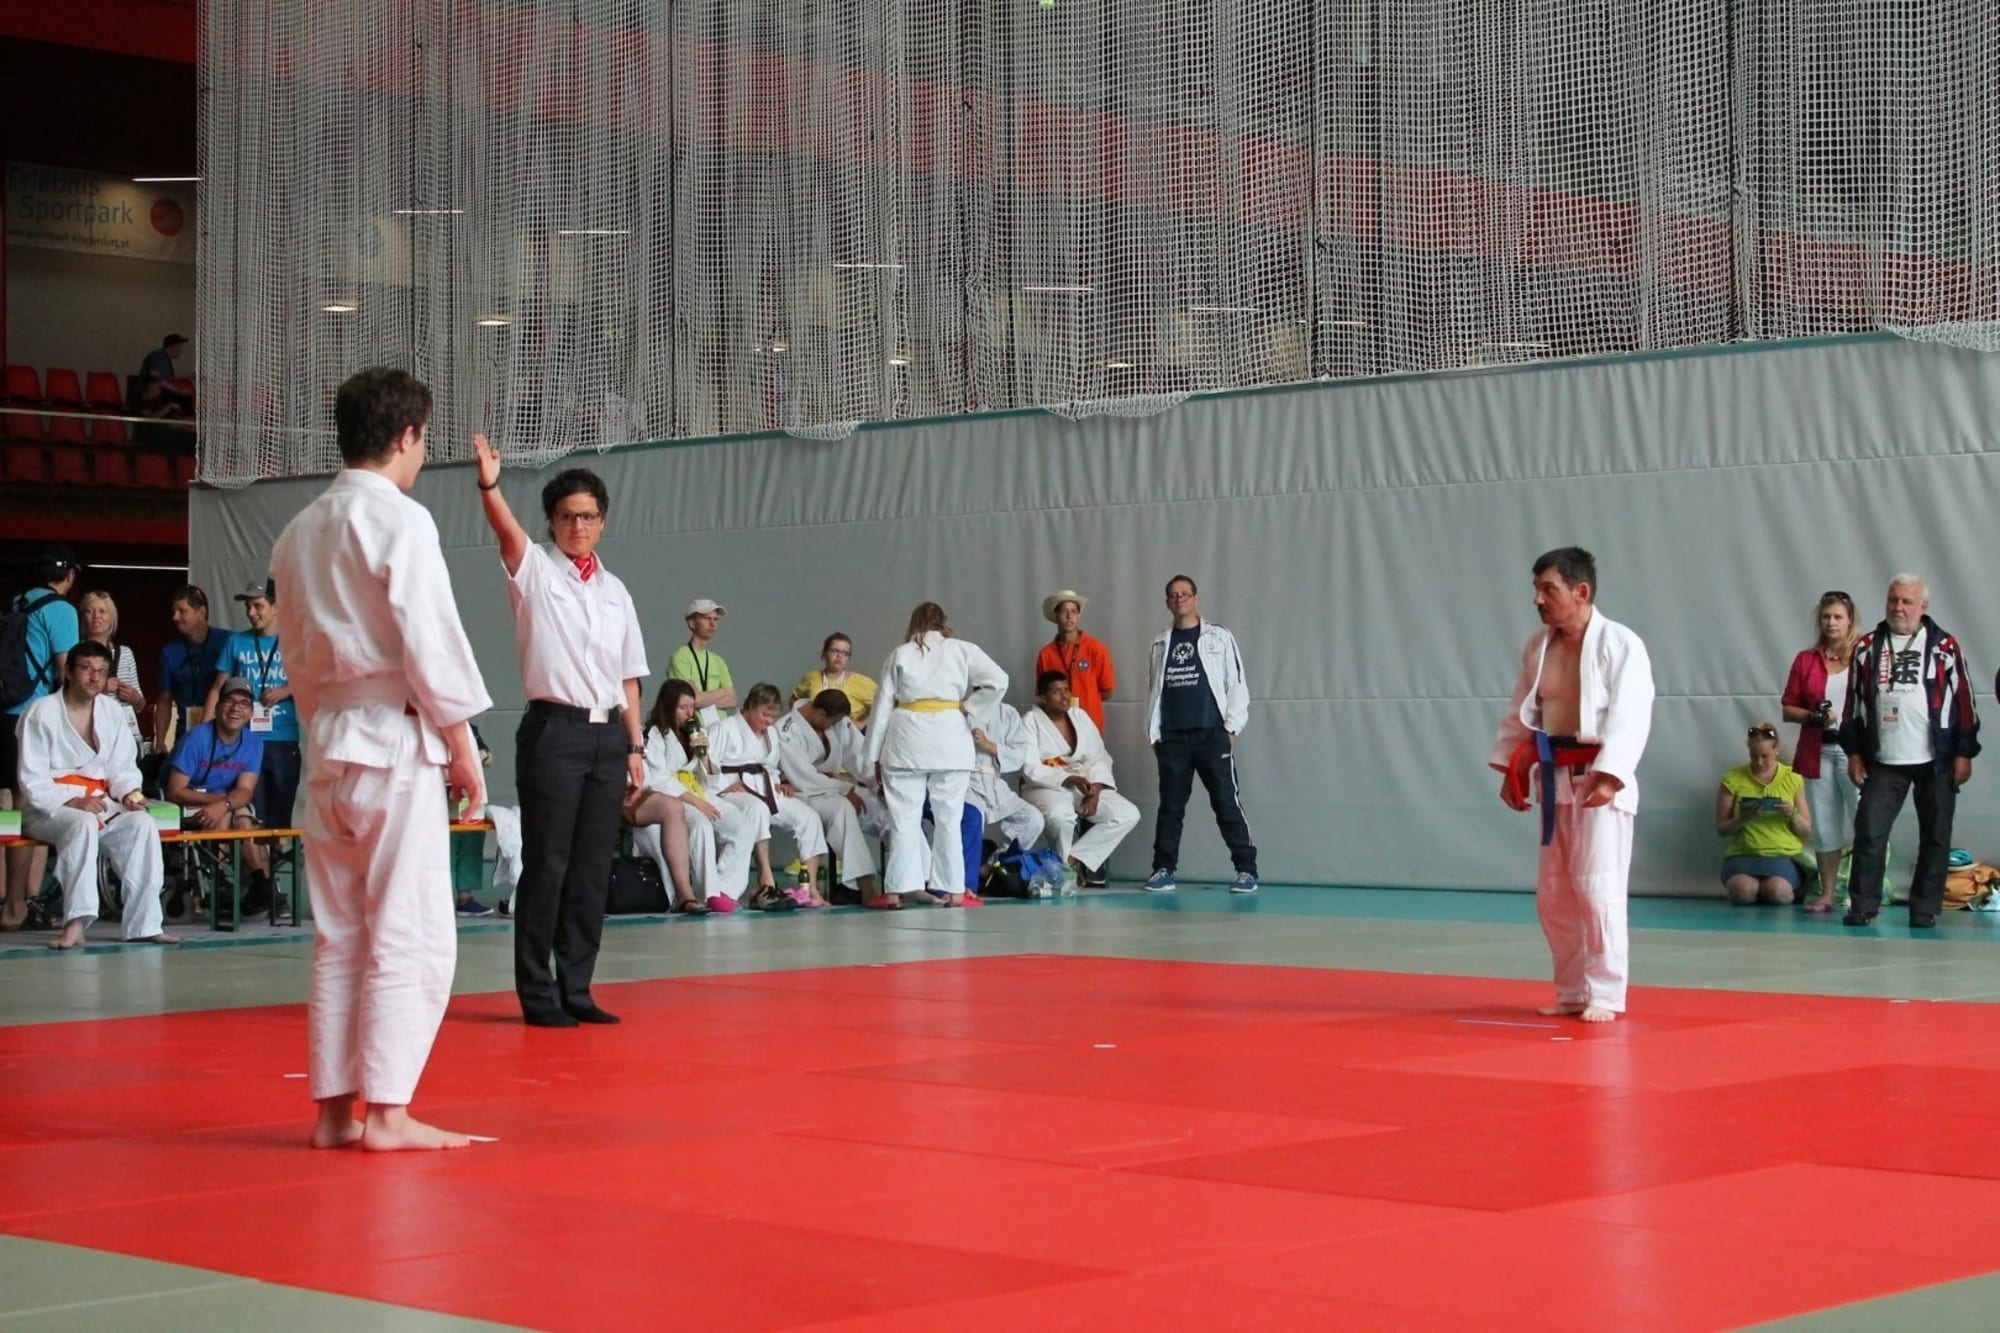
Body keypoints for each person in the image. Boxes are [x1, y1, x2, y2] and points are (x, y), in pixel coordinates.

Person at [271, 365, 492, 1151]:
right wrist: (462, 746)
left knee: (340, 933)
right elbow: (432, 641)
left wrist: (321, 728)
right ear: (406, 435)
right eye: (423, 440)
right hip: (393, 739)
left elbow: (296, 655)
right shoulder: (400, 520)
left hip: (328, 739)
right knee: (410, 926)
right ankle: (389, 1112)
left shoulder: (298, 531)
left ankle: (335, 1111)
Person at [475, 437, 648, 1027]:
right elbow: (506, 533)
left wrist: (635, 745)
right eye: (569, 516)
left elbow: (628, 677)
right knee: (547, 863)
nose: (580, 526)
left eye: (590, 516)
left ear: (603, 522)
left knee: (592, 866)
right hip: (554, 731)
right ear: (552, 521)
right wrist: (490, 486)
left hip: (607, 738)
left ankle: (577, 986)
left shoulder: (615, 590)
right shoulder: (535, 571)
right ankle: (538, 992)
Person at [1491, 547, 1655, 1024]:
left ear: (1580, 591)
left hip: (1598, 780)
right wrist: (1512, 769)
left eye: (1549, 589)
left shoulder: (1620, 644)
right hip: (1553, 778)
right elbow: (1522, 711)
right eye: (1536, 590)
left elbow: (1631, 714)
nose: (1538, 600)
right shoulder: (1538, 647)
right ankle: (1572, 990)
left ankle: (1605, 992)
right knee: (1555, 894)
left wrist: (1610, 774)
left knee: (1598, 889)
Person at [1838, 574, 1980, 929]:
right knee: (1869, 830)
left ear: (1923, 606)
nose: (1898, 607)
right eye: (1893, 600)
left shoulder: (1945, 646)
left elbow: (1964, 701)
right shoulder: (1866, 647)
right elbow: (1852, 704)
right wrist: (1854, 753)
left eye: (1907, 601)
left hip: (1937, 757)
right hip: (1884, 758)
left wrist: (1964, 753)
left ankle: (1924, 909)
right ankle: (1863, 905)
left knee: (1936, 835)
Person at [18, 642, 173, 949]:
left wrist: (128, 793)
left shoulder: (111, 711)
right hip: (47, 808)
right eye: (86, 669)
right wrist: (73, 801)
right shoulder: (41, 712)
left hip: (99, 802)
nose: (94, 677)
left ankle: (144, 924)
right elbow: (32, 779)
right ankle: (76, 923)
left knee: (141, 824)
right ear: (68, 672)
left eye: (101, 671)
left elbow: (122, 766)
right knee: (83, 823)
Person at [864, 602, 1006, 908]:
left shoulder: (900, 654)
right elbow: (999, 681)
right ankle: (955, 892)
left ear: (914, 622)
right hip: (949, 740)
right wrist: (969, 706)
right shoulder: (963, 650)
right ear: (943, 622)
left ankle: (895, 892)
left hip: (906, 742)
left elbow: (882, 705)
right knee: (949, 820)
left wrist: (872, 755)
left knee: (904, 819)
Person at [1143, 575, 1257, 894]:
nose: (1179, 598)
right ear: (1168, 602)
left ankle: (1246, 870)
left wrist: (1231, 729)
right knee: (1170, 808)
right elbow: (1154, 690)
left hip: (1211, 735)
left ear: (1196, 598)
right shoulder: (1160, 643)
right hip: (1172, 739)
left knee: (1226, 802)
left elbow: (1236, 683)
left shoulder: (1219, 637)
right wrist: (1154, 734)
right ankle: (1163, 869)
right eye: (1173, 594)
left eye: (1185, 593)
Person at [2, 543, 80, 933]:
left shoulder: (16, 603)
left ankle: (7, 899)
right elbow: (69, 672)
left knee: (4, 810)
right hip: (29, 718)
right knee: (26, 809)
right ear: (70, 575)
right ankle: (16, 906)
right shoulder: (61, 610)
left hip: (2, 710)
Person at [707, 683, 832, 908]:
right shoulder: (723, 728)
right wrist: (724, 786)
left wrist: (781, 782)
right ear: (750, 706)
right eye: (765, 714)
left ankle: (810, 888)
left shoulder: (771, 733)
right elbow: (706, 766)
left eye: (773, 717)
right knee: (757, 809)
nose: (769, 721)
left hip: (767, 788)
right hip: (733, 790)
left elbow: (771, 766)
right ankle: (765, 879)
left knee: (808, 817)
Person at [1023, 670, 1142, 889]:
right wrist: (1069, 778)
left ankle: (1069, 862)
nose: (1064, 697)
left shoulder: (1079, 717)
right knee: (1061, 815)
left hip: (1084, 783)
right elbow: (1030, 768)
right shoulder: (1030, 722)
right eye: (1056, 692)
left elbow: (1099, 757)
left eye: (1066, 690)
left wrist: (1095, 791)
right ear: (1042, 696)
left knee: (1127, 814)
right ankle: (1063, 874)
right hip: (1045, 786)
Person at [774, 689, 892, 907]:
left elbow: (861, 758)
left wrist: (881, 788)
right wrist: (845, 789)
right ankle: (866, 886)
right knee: (842, 809)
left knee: (889, 811)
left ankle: (913, 881)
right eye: (833, 721)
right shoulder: (786, 729)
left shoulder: (838, 722)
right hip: (803, 792)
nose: (836, 726)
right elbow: (803, 777)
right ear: (821, 714)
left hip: (836, 787)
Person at [1781, 591, 1860, 911]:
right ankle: (1827, 893)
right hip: (1819, 749)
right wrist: (1814, 716)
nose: (1831, 623)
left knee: (1866, 822)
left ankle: (1862, 893)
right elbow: (1788, 707)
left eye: (1838, 617)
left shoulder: (1864, 657)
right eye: (1826, 617)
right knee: (1825, 825)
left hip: (1854, 751)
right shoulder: (1806, 659)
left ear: (1850, 621)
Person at [163, 675, 272, 909]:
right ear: (218, 706)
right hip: (189, 803)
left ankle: (259, 884)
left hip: (226, 803)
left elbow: (245, 790)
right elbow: (175, 790)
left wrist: (223, 804)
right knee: (226, 814)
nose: (236, 708)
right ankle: (218, 882)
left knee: (243, 818)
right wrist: (220, 802)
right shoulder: (197, 738)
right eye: (230, 701)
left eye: (244, 703)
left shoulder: (254, 743)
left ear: (251, 712)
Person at [206, 582, 302, 831]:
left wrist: (286, 690)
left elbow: (315, 682)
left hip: (282, 738)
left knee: (280, 819)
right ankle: (254, 857)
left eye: (258, 606)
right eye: (247, 607)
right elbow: (217, 687)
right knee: (250, 813)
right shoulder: (236, 642)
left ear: (276, 607)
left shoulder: (295, 643)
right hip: (244, 739)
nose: (251, 612)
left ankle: (277, 857)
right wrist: (206, 732)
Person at [625, 682, 719, 915]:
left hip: (692, 792)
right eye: (683, 707)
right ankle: (694, 894)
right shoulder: (653, 735)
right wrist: (696, 802)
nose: (689, 713)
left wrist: (704, 755)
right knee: (696, 821)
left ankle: (714, 893)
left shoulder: (693, 733)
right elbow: (657, 780)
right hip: (658, 795)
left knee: (734, 824)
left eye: (692, 707)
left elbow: (708, 778)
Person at [1716, 723, 1813, 905]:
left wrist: (1791, 813)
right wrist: (1743, 818)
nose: (1759, 762)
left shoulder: (1793, 777)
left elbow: (1806, 830)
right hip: (1743, 854)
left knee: (1777, 892)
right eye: (1754, 756)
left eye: (1764, 756)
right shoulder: (1732, 778)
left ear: (1777, 749)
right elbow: (1722, 829)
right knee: (1742, 891)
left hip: (1783, 855)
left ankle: (1781, 890)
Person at [153, 584, 230, 761]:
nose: (175, 617)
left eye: (182, 611)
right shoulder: (169, 652)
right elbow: (164, 700)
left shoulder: (228, 642)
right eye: (174, 611)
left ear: (201, 612)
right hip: (186, 733)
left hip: (224, 733)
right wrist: (160, 741)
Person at [966, 696, 1045, 855]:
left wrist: (990, 746)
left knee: (1033, 819)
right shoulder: (963, 711)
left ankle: (999, 861)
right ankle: (969, 868)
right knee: (973, 820)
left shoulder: (1008, 713)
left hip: (995, 782)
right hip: (967, 782)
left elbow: (1019, 755)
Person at [1035, 589, 1116, 732]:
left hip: (1090, 725)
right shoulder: (1045, 654)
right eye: (1064, 611)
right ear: (1055, 616)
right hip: (1056, 728)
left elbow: (1107, 691)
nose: (1069, 616)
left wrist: (1087, 698)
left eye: (1073, 611)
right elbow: (1042, 694)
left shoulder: (1096, 649)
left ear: (1079, 616)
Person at [79, 591, 146, 755]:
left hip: (125, 737)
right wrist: (100, 690)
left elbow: (140, 705)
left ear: (111, 618)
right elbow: (69, 699)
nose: (96, 616)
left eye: (102, 611)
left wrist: (134, 698)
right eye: (89, 611)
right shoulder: (76, 654)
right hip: (90, 737)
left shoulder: (125, 654)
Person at [670, 598, 735, 728]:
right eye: (706, 618)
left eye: (715, 619)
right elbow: (693, 700)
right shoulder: (681, 657)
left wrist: (701, 698)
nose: (712, 623)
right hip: (693, 730)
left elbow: (732, 699)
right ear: (692, 623)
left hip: (720, 730)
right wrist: (723, 692)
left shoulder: (718, 661)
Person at [792, 632, 879, 725]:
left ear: (848, 658)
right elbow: (794, 699)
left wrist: (861, 724)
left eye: (845, 653)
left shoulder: (862, 682)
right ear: (824, 653)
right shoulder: (811, 677)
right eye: (834, 651)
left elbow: (885, 705)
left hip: (843, 731)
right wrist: (801, 722)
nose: (839, 656)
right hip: (812, 730)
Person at [135, 333, 193, 418]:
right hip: (147, 396)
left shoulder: (164, 359)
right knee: (185, 398)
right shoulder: (158, 357)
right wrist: (179, 391)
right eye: (179, 347)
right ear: (173, 347)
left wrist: (190, 375)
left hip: (158, 395)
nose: (181, 350)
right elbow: (156, 379)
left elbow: (169, 377)